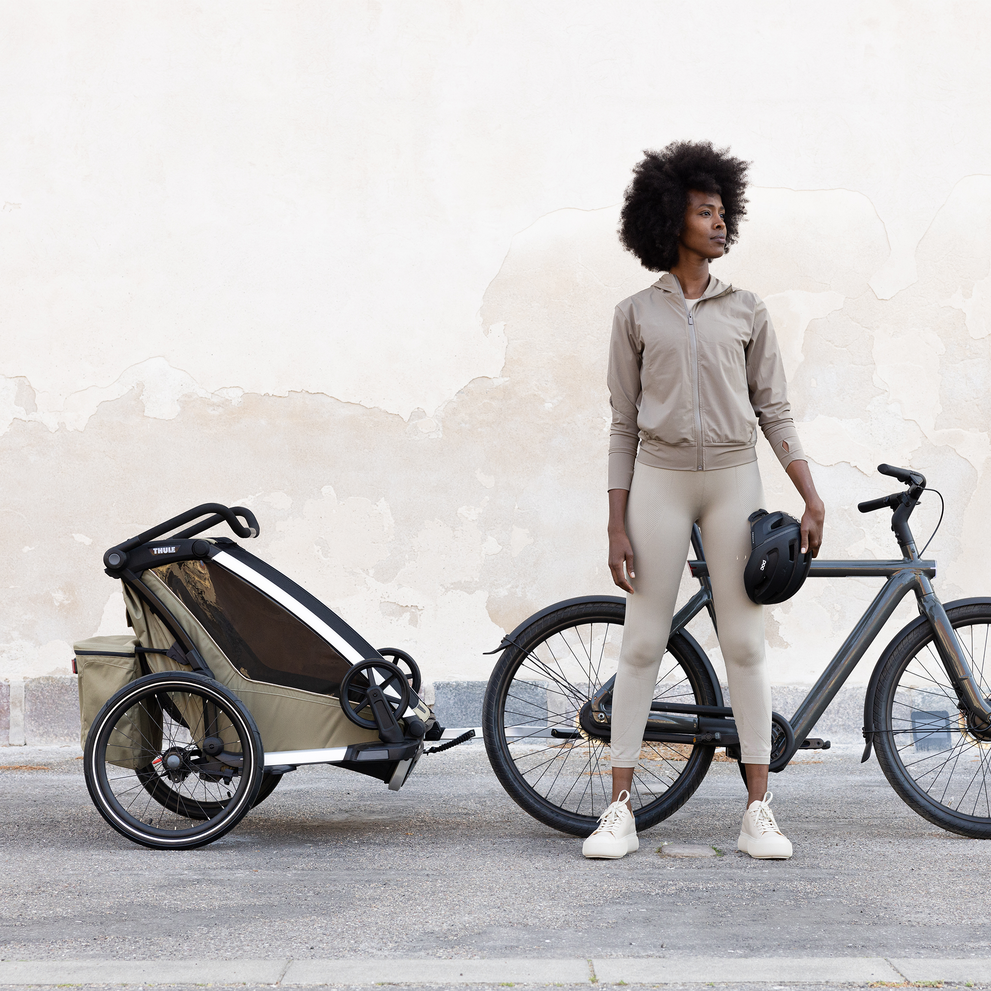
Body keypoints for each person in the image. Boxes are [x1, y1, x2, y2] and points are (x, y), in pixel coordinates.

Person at [582, 141, 825, 861]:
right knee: (641, 642)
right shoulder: (633, 314)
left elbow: (773, 409)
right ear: (669, 220)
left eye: (722, 212)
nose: (718, 223)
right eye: (703, 211)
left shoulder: (746, 310)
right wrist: (613, 522)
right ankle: (619, 808)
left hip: (732, 480)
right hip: (656, 480)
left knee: (744, 644)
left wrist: (808, 494)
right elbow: (622, 423)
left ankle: (758, 810)